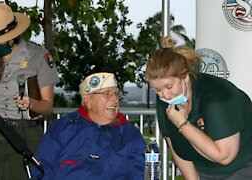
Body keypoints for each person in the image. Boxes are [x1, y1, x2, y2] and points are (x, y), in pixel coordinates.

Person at [0, 2, 60, 179]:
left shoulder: (38, 56)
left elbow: (47, 107)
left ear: (13, 33)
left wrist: (31, 103)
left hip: (26, 136)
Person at [145, 35, 252, 179]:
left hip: (242, 166)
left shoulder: (216, 96)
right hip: (203, 169)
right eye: (157, 90)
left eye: (169, 86)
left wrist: (182, 124)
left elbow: (224, 157)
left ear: (185, 76)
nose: (165, 95)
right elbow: (178, 150)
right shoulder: (164, 100)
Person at [31, 72, 146, 179]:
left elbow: (137, 175)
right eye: (107, 94)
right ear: (87, 99)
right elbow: (41, 170)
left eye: (116, 94)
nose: (114, 99)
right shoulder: (62, 128)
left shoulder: (130, 135)